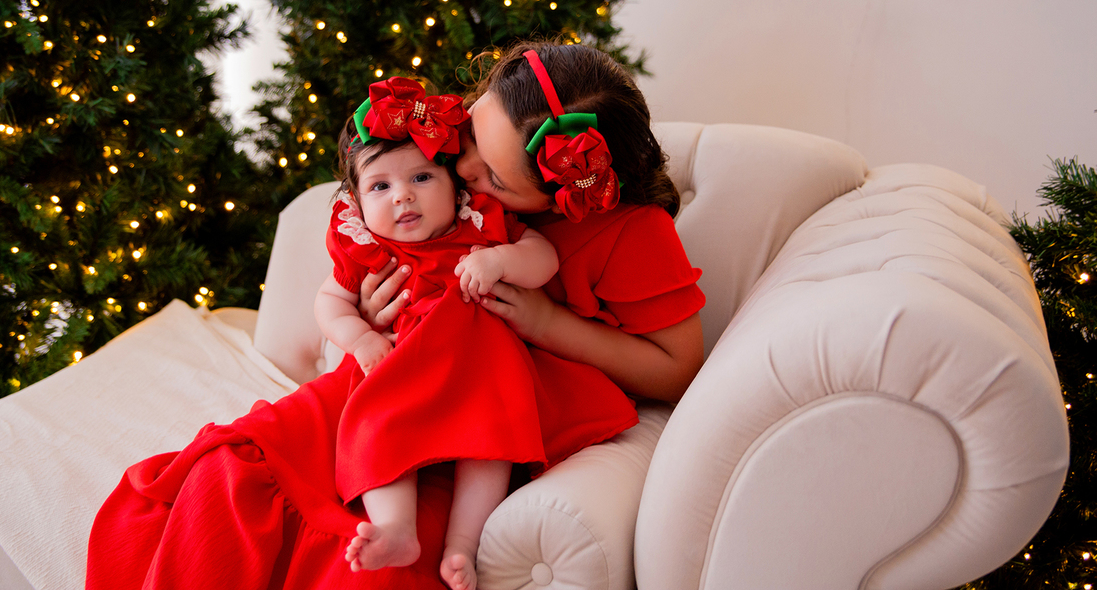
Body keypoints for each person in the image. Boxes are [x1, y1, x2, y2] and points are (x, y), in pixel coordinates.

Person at [86, 42, 705, 590]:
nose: (463, 172)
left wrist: (547, 324)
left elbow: (678, 369)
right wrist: (367, 314)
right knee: (226, 474)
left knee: (363, 565)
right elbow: (373, 226)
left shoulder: (630, 233)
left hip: (487, 407)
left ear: (564, 194)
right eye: (471, 138)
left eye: (493, 175)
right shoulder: (450, 164)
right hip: (388, 374)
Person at [317, 77, 638, 590]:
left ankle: (463, 544)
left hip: (481, 370)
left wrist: (501, 260)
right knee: (377, 429)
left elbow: (543, 258)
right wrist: (361, 339)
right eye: (380, 187)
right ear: (355, 200)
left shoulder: (480, 223)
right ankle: (396, 528)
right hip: (400, 368)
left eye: (422, 177)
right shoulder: (366, 247)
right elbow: (329, 303)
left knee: (490, 445)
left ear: (454, 184)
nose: (403, 196)